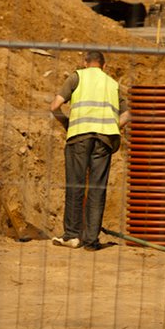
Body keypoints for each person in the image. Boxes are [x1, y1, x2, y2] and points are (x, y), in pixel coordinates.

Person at [50, 51, 130, 251]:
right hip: (104, 139)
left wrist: (66, 123)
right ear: (104, 66)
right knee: (97, 189)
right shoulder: (112, 84)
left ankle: (72, 236)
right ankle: (92, 241)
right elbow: (128, 114)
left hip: (79, 136)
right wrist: (113, 126)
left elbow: (55, 106)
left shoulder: (77, 76)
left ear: (85, 62)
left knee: (75, 185)